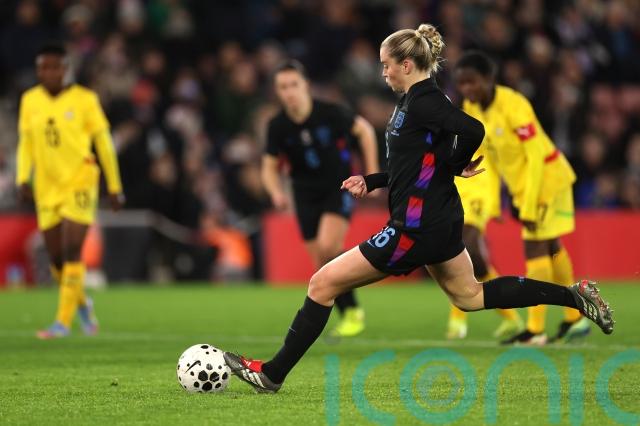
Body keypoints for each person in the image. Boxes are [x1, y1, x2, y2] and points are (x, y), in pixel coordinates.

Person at [223, 24, 614, 393]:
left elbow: (473, 130)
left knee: (322, 284)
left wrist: (456, 162)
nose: (383, 72)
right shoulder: (415, 100)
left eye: (386, 65)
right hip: (438, 219)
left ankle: (271, 374)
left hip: (415, 227)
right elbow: (415, 165)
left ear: (406, 65)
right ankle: (574, 296)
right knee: (470, 296)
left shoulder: (425, 101)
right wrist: (374, 181)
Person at [454, 51, 590, 345]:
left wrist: (528, 204)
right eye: (462, 83)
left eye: (472, 82)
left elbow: (536, 155)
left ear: (488, 79)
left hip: (547, 180)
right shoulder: (471, 108)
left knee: (535, 248)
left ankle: (536, 329)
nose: (467, 89)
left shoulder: (514, 104)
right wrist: (494, 203)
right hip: (522, 187)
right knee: (552, 245)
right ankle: (576, 319)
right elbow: (486, 158)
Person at [262, 60, 379, 338]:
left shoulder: (330, 112)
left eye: (293, 85)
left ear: (305, 85)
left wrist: (372, 173)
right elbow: (268, 167)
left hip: (338, 187)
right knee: (323, 266)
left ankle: (352, 312)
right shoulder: (277, 126)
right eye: (283, 87)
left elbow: (364, 131)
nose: (289, 92)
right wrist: (276, 192)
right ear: (277, 92)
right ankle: (351, 312)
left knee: (328, 246)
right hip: (304, 194)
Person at [16, 43, 124, 339]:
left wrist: (114, 186)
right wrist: (22, 177)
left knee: (72, 249)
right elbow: (26, 143)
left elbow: (103, 143)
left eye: (54, 67)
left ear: (65, 69)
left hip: (80, 181)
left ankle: (62, 322)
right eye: (43, 68)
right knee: (56, 259)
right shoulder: (30, 100)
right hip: (46, 186)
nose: (49, 73)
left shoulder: (85, 99)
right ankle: (82, 303)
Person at [447, 136, 524, 340]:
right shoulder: (450, 123)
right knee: (476, 264)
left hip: (479, 188)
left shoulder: (488, 123)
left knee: (463, 246)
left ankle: (457, 320)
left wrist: (496, 204)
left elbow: (499, 158)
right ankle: (511, 317)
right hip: (457, 186)